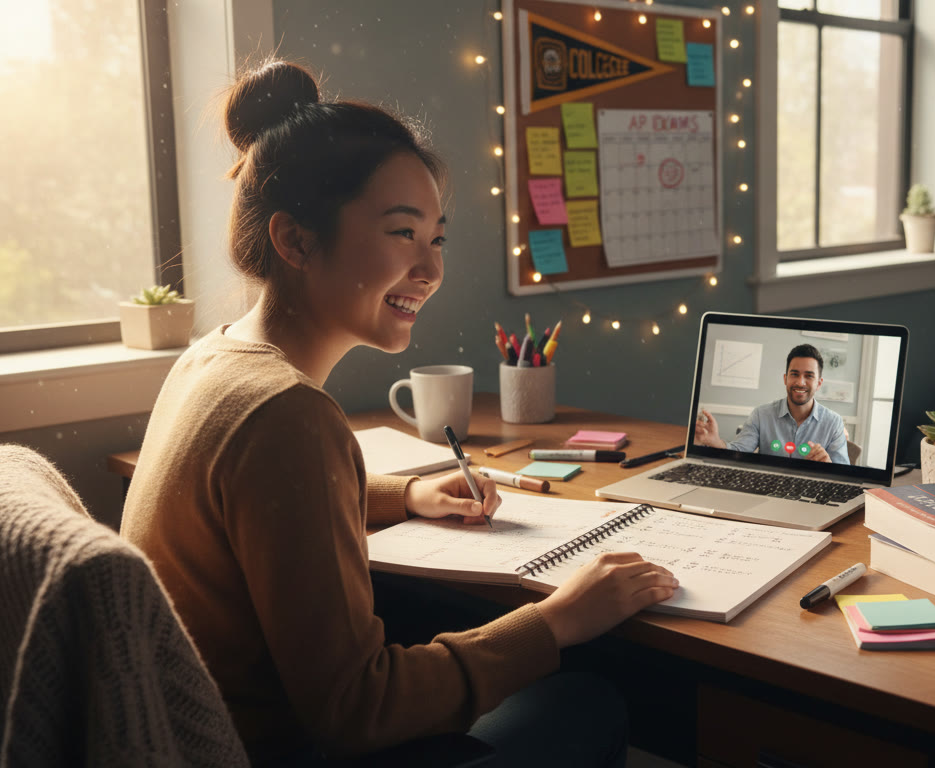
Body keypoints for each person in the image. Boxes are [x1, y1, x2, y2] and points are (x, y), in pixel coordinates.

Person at [120, 59, 677, 766]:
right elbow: (357, 709)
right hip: (275, 752)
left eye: (436, 238)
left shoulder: (211, 360)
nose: (432, 269)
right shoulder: (287, 414)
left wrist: (407, 493)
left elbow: (268, 515)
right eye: (400, 233)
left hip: (206, 736)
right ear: (294, 240)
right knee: (588, 700)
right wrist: (555, 620)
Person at [694, 344, 851, 465]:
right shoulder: (761, 415)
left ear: (819, 383)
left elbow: (844, 475)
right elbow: (739, 452)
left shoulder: (834, 422)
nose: (800, 382)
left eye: (809, 376)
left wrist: (828, 465)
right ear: (785, 379)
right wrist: (715, 442)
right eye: (794, 374)